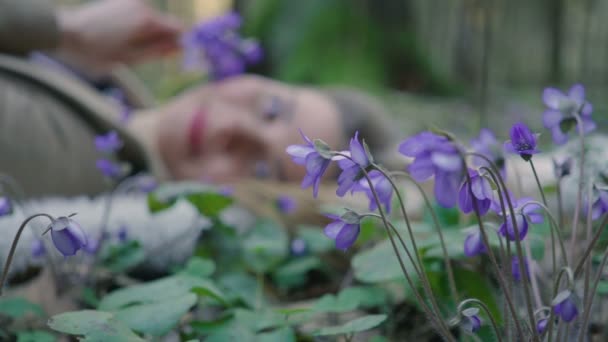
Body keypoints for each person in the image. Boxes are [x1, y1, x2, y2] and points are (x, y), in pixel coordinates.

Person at [0, 0, 401, 200]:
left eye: (263, 170)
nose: (230, 129)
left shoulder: (92, 177)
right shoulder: (99, 72)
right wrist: (66, 33)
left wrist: (56, 30)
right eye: (271, 109)